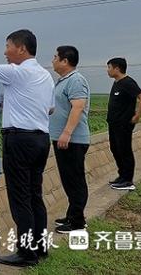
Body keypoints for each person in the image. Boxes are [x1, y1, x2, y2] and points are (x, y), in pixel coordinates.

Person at [0, 29, 54, 267]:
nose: (5, 51)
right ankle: (40, 246)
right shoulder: (45, 76)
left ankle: (26, 253)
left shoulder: (17, 72)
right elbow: (50, 109)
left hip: (19, 140)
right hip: (41, 139)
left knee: (20, 197)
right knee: (35, 194)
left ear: (21, 48)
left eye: (8, 46)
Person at [49, 46, 90, 233]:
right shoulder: (63, 81)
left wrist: (66, 133)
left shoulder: (76, 80)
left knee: (75, 180)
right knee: (68, 179)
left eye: (56, 57)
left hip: (73, 140)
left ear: (65, 61)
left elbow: (78, 107)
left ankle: (77, 222)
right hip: (63, 138)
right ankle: (72, 214)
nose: (53, 60)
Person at [106, 57, 141, 191]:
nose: (107, 70)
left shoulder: (128, 82)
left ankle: (128, 180)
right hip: (114, 123)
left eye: (109, 67)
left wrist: (137, 115)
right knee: (115, 149)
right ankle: (122, 176)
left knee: (125, 150)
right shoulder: (116, 82)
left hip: (123, 124)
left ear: (117, 68)